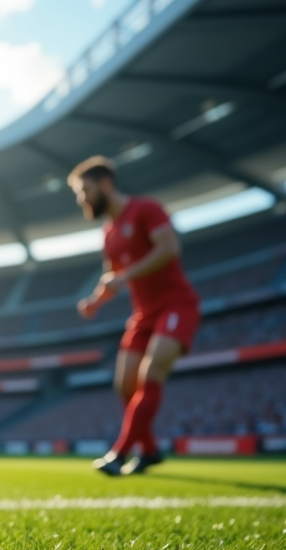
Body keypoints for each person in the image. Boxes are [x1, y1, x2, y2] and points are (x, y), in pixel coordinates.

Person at [70, 156, 201, 476]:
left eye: (85, 190)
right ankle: (151, 450)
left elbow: (170, 248)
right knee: (124, 384)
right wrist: (95, 302)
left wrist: (125, 275)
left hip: (176, 305)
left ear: (105, 184)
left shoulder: (145, 208)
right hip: (143, 315)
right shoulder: (109, 233)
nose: (81, 199)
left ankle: (119, 452)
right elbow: (111, 278)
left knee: (150, 373)